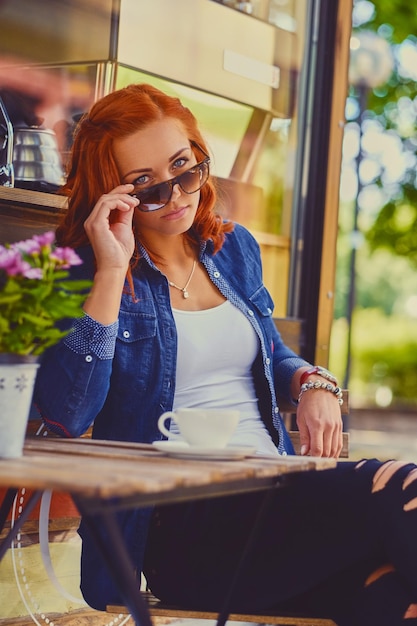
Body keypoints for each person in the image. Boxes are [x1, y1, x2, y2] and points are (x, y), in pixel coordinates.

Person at [34, 83, 417, 626]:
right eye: (145, 186)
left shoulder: (231, 247)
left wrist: (313, 383)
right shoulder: (84, 271)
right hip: (189, 528)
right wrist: (112, 271)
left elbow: (270, 353)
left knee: (394, 599)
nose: (175, 196)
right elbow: (68, 414)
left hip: (279, 492)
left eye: (184, 170)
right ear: (112, 192)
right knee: (399, 483)